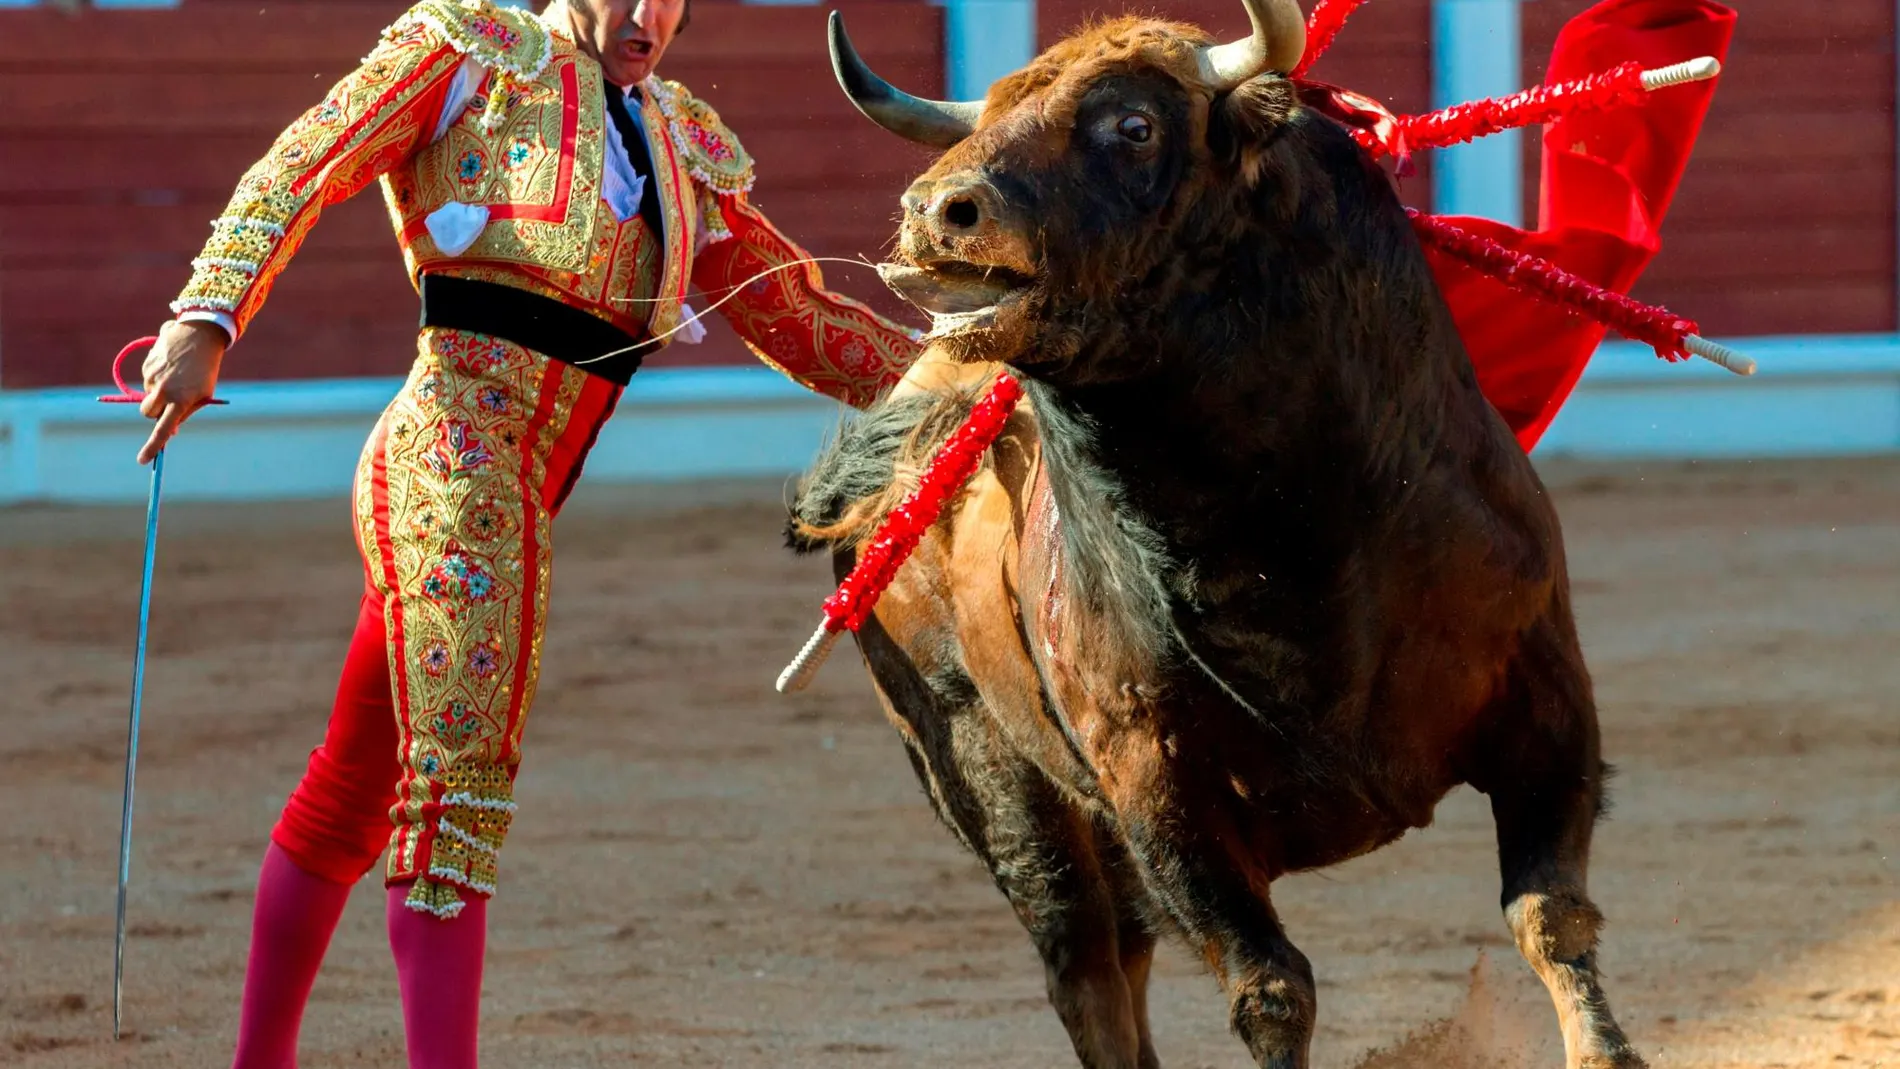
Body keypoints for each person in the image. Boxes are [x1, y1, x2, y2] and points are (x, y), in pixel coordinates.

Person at [132, 1, 922, 1065]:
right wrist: (205, 315)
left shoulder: (681, 138)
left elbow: (795, 313)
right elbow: (303, 160)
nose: (649, 15)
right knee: (455, 800)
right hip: (454, 466)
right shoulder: (471, 54)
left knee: (354, 788)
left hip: (517, 489)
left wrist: (967, 383)